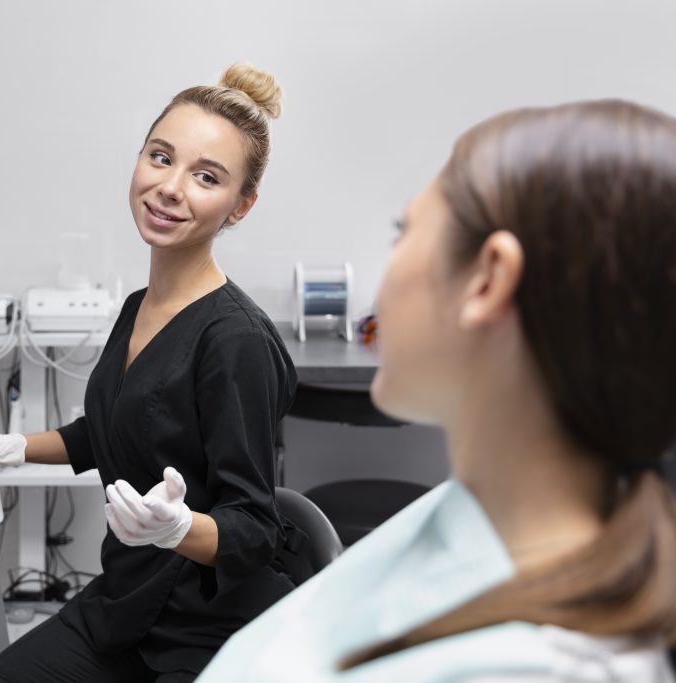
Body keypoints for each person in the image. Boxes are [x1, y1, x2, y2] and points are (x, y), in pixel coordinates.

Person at [197, 99, 676, 682]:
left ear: (489, 280)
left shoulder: (530, 670)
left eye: (405, 232)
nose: (383, 285)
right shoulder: (474, 512)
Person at [0, 64, 298, 682]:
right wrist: (2, 446)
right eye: (160, 157)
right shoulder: (140, 306)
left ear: (240, 206)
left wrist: (178, 527)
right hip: (123, 608)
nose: (170, 187)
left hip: (209, 632)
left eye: (206, 177)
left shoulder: (236, 342)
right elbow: (109, 432)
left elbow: (254, 531)